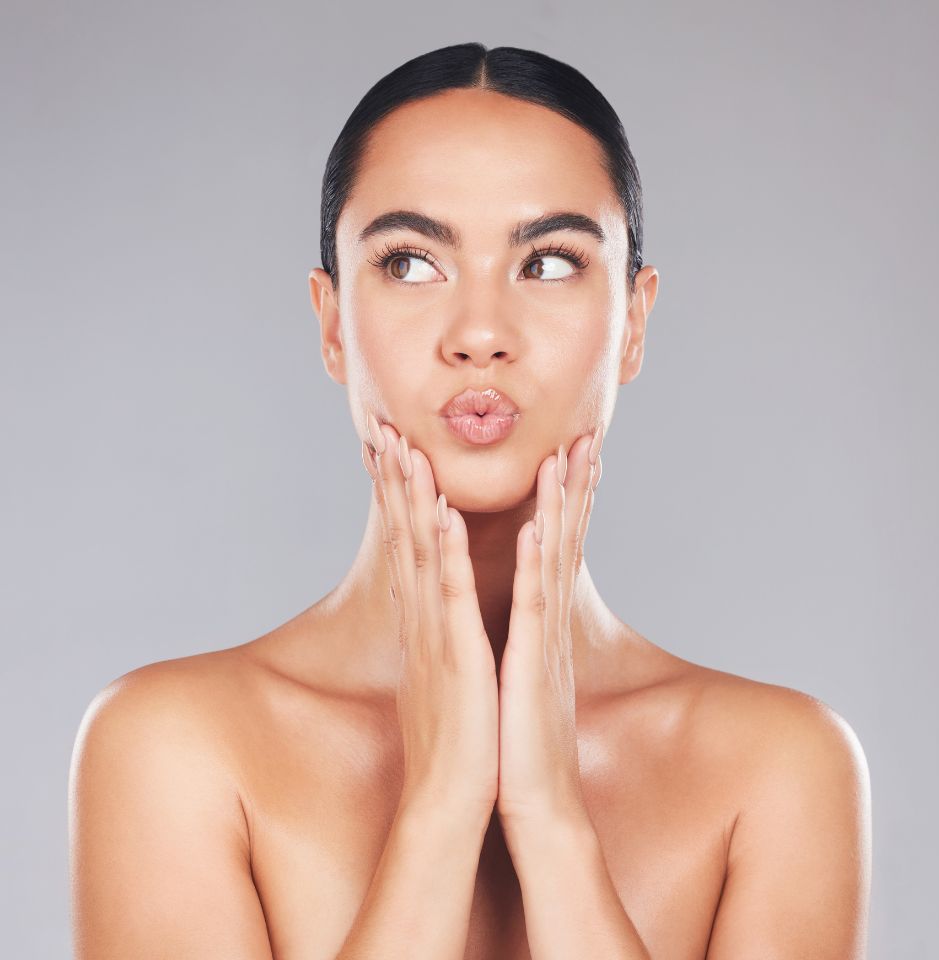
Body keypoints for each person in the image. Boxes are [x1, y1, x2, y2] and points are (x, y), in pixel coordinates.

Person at [68, 42, 872, 960]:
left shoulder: (779, 771)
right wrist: (443, 804)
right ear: (331, 324)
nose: (481, 334)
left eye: (550, 263)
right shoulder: (171, 751)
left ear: (634, 323)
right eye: (411, 263)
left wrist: (551, 815)